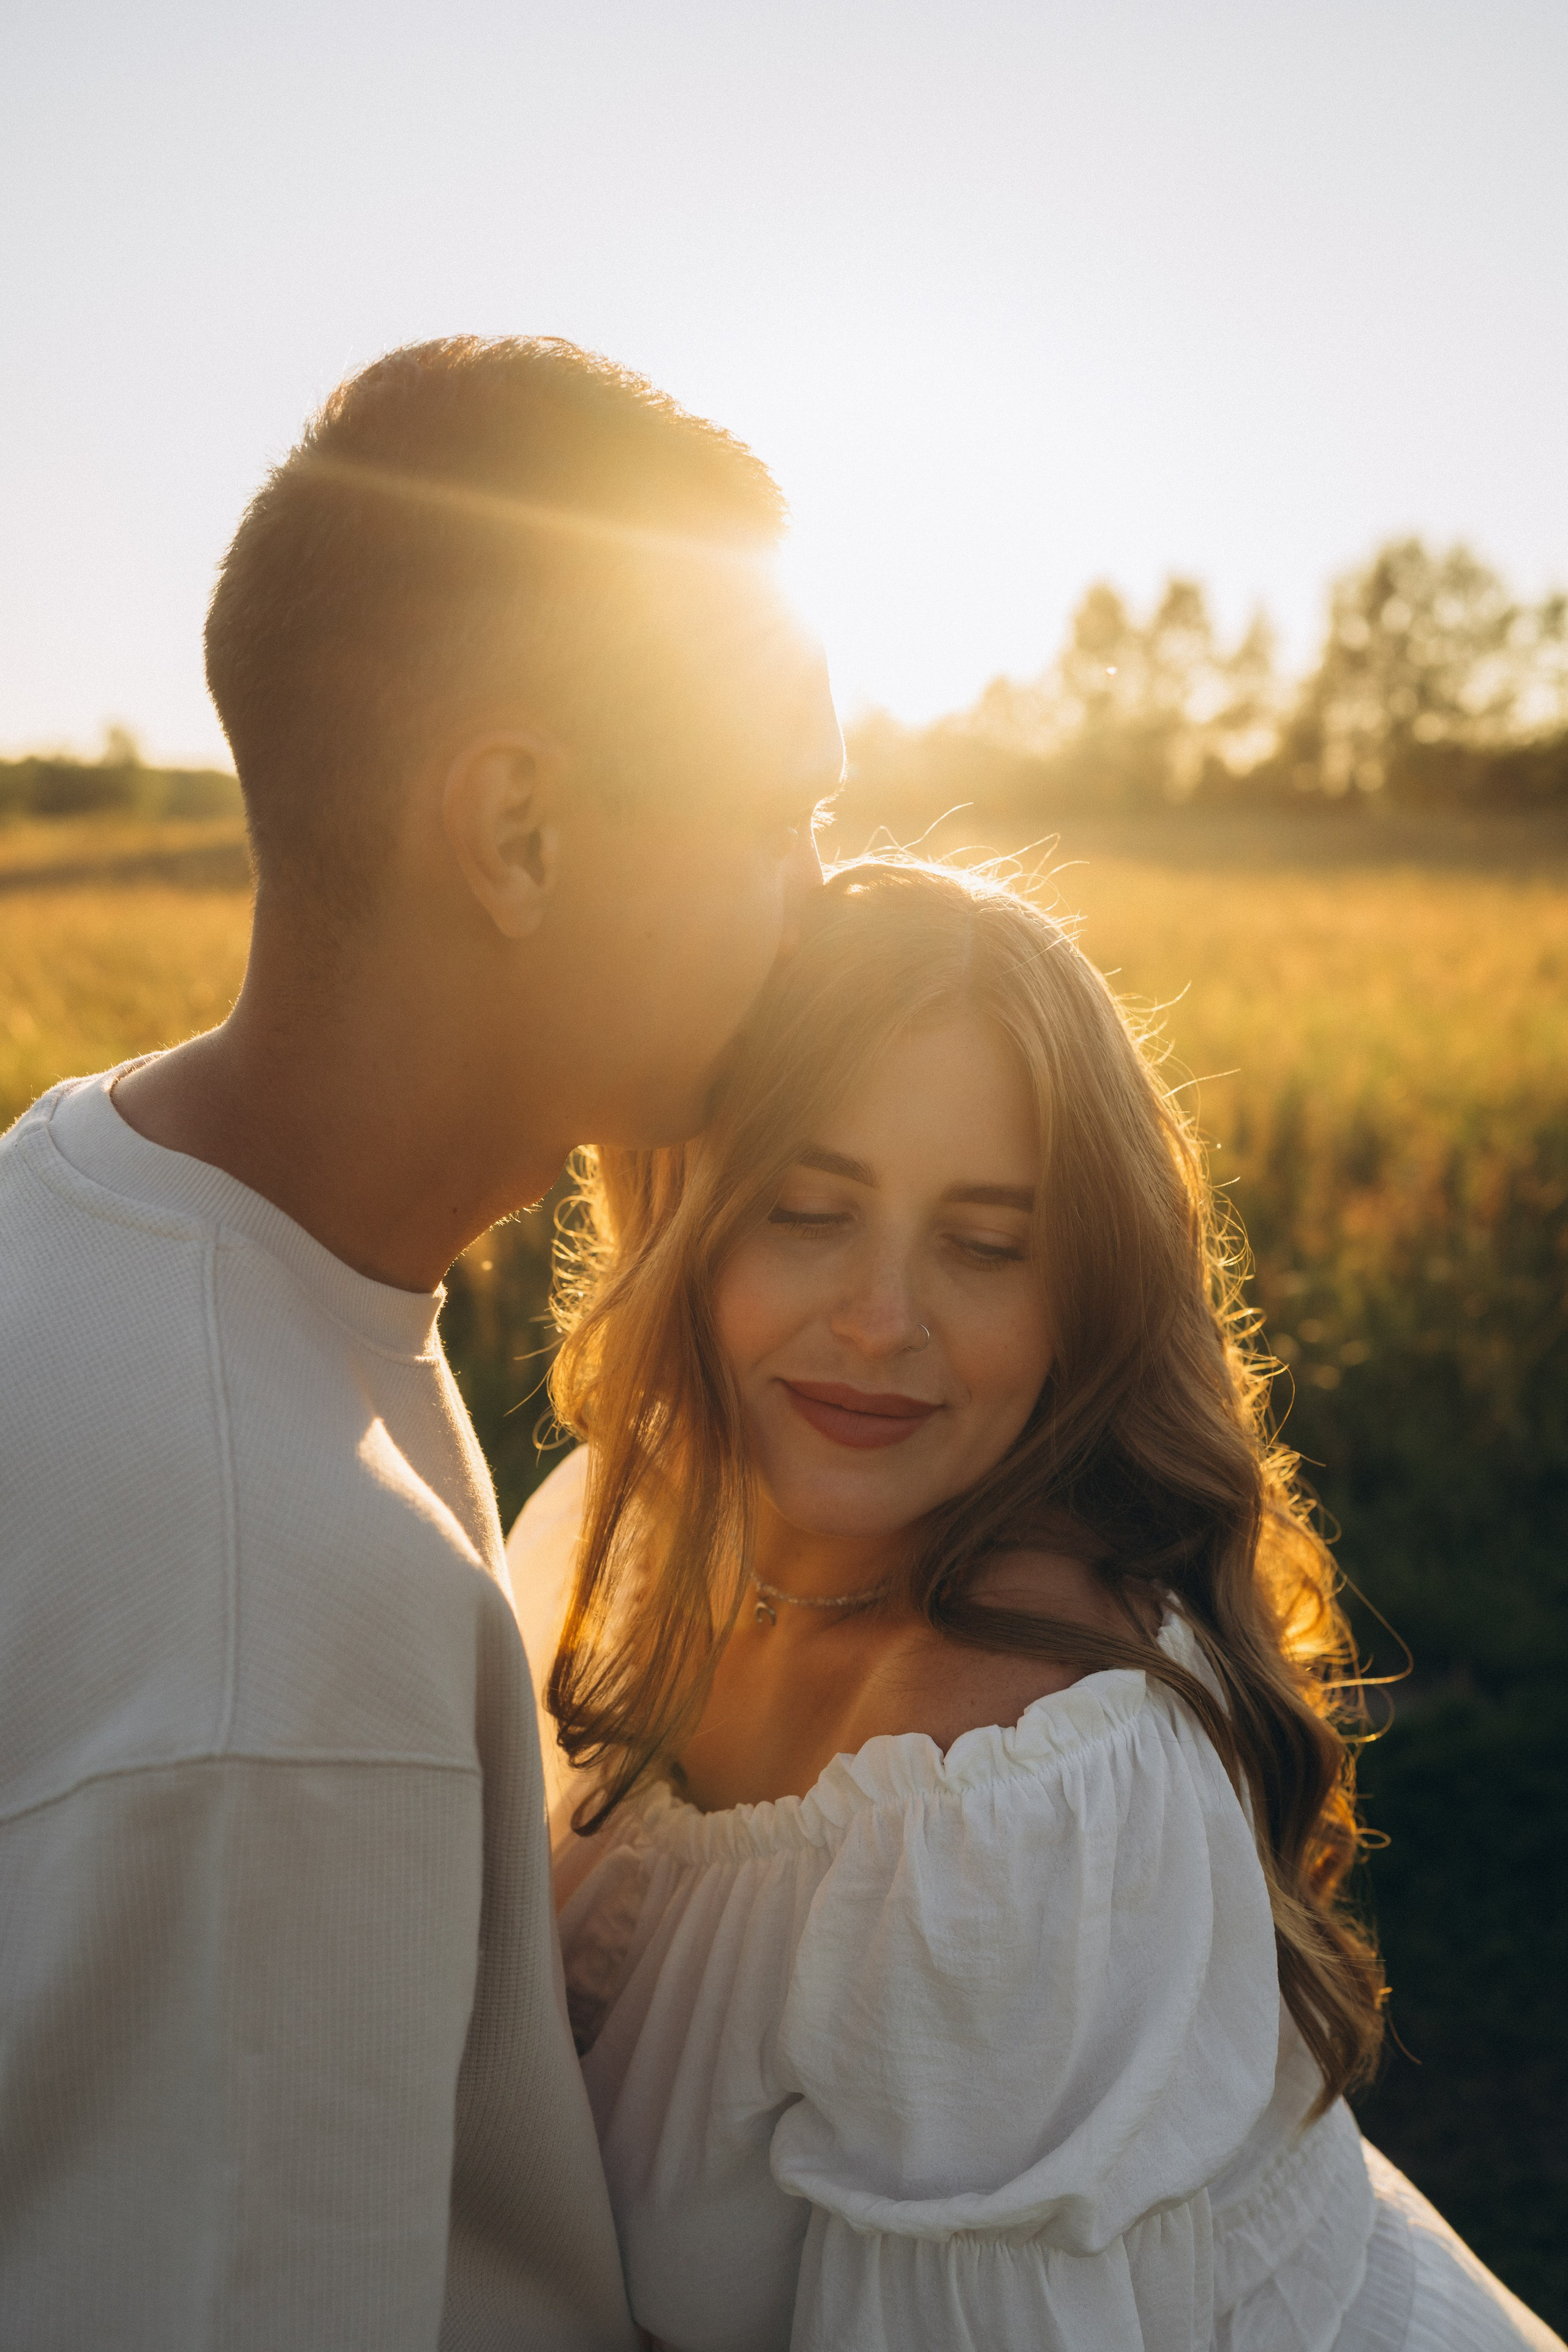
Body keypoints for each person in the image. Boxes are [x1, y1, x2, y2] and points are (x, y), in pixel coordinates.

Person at [0, 337, 837, 2348]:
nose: (812, 909)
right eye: (772, 816)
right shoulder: (287, 1626)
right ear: (520, 833)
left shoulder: (87, 1196)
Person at [507, 858, 1562, 2352]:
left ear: (1082, 1292)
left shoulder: (1018, 1782)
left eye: (985, 1244)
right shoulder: (603, 1550)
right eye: (809, 1210)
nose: (881, 1320)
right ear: (687, 1212)